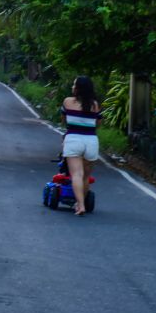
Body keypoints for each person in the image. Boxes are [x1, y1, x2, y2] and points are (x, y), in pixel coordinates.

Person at [60, 76, 102, 216]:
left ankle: (81, 205)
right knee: (85, 177)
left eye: (74, 85)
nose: (72, 87)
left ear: (78, 89)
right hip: (91, 141)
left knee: (76, 174)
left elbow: (64, 120)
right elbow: (98, 124)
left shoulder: (67, 102)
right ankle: (80, 203)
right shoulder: (95, 105)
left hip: (74, 140)